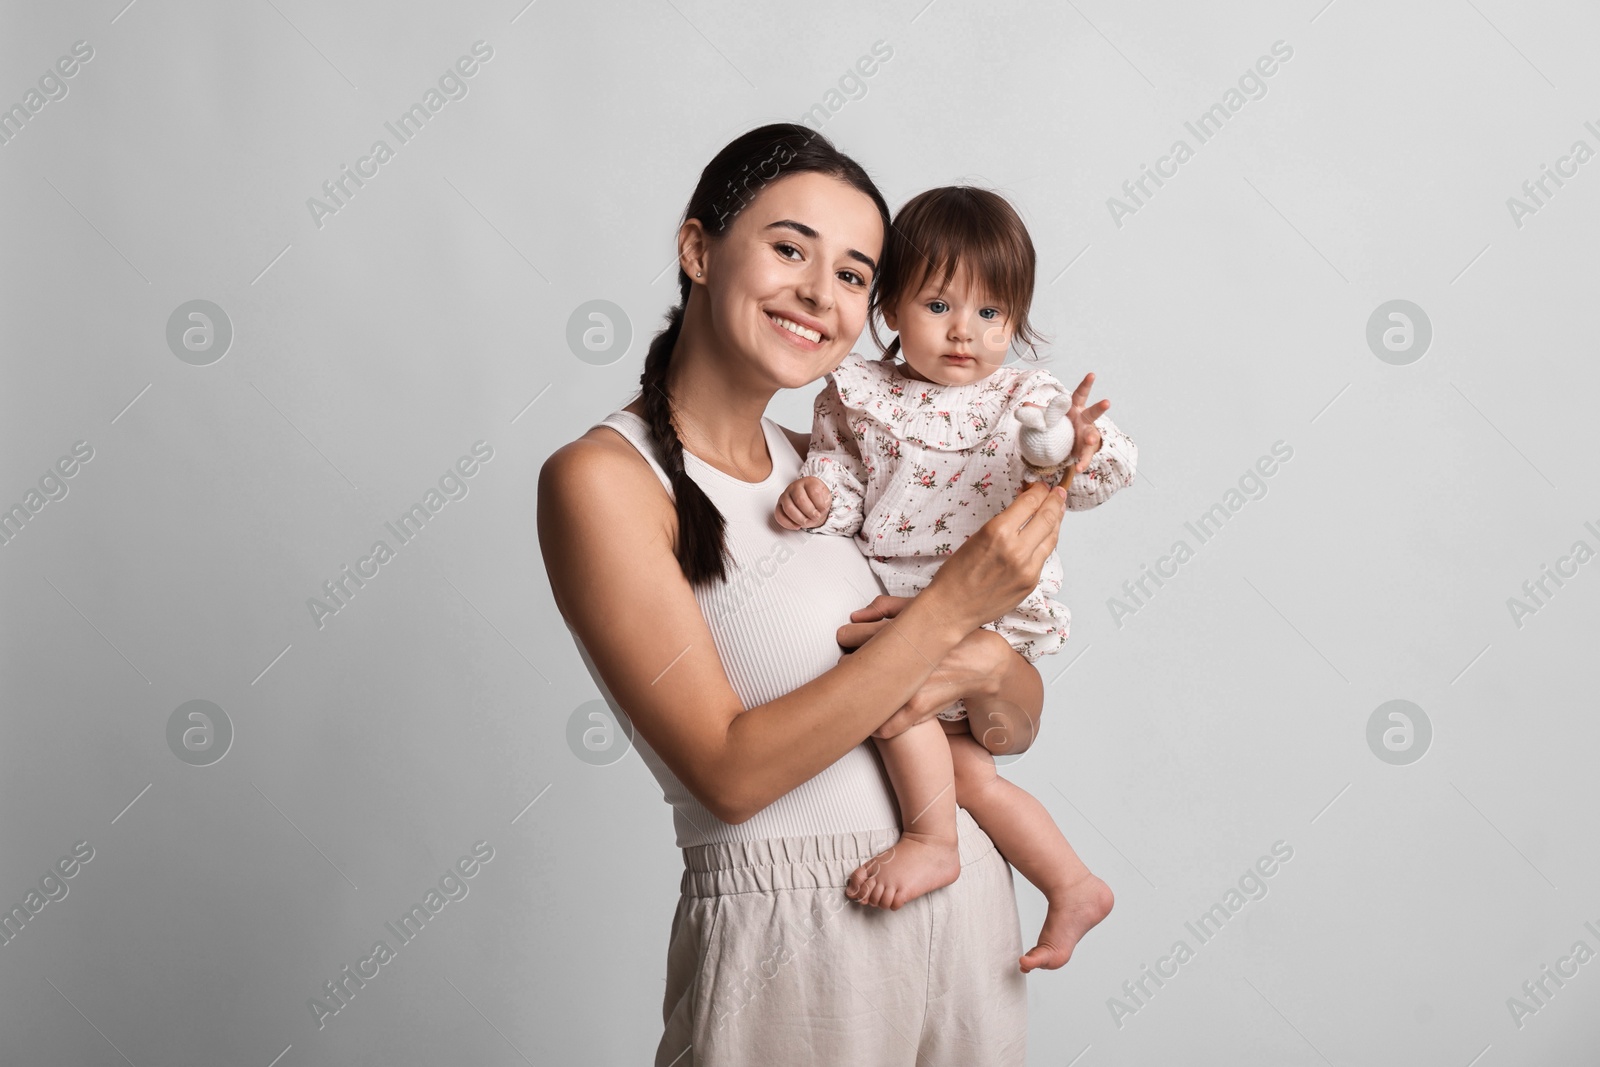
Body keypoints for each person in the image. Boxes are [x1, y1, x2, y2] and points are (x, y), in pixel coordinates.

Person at [538, 123, 1067, 1066]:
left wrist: (988, 655)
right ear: (698, 250)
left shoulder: (829, 469)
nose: (821, 294)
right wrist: (951, 607)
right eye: (790, 249)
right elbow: (730, 775)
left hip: (969, 915)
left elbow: (1010, 728)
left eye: (857, 275)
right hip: (801, 942)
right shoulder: (606, 480)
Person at [773, 185, 1130, 970]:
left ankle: (931, 842)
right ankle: (1072, 880)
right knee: (968, 773)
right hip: (910, 603)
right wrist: (815, 496)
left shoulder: (1022, 399)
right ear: (891, 307)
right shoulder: (859, 393)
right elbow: (839, 478)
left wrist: (1068, 444)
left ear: (1016, 318)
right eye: (938, 304)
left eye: (991, 312)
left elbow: (1088, 476)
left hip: (988, 607)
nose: (965, 331)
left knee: (887, 701)